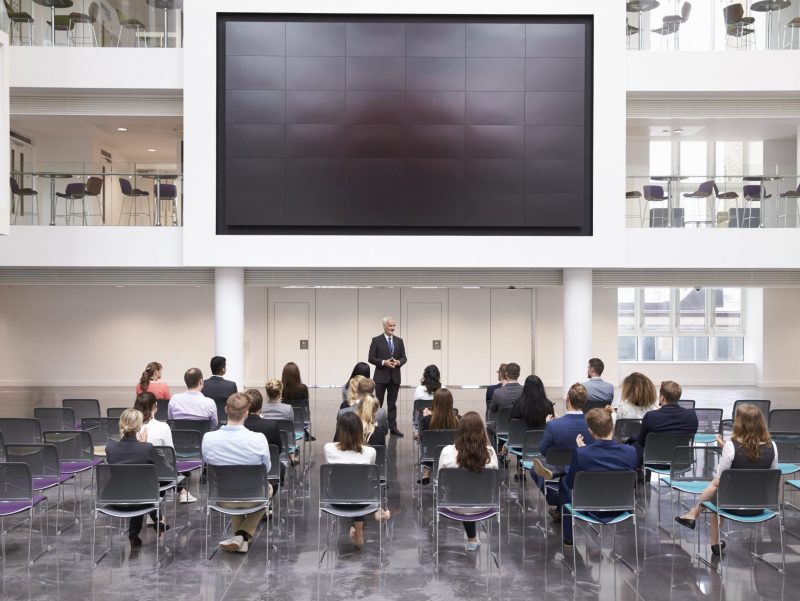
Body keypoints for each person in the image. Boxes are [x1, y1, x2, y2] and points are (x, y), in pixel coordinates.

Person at [675, 405, 778, 555]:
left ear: (739, 423)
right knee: (725, 492)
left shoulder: (731, 446)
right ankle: (693, 515)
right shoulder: (772, 446)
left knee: (717, 490)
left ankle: (707, 532)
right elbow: (771, 477)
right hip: (759, 506)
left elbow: (719, 481)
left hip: (733, 505)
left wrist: (726, 450)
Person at [202, 392, 272, 554]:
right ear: (246, 413)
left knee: (233, 486)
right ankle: (243, 536)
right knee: (267, 489)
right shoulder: (258, 439)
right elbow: (266, 470)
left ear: (226, 409)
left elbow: (208, 464)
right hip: (253, 498)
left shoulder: (208, 438)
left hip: (221, 497)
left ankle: (240, 537)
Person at [558, 409, 637, 547]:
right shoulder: (630, 452)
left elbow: (572, 484)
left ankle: (568, 538)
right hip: (622, 506)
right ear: (612, 427)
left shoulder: (582, 454)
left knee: (565, 480)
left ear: (590, 431)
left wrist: (582, 452)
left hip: (588, 506)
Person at [324, 412, 389, 549]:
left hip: (335, 498)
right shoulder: (370, 452)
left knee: (350, 484)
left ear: (339, 430)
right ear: (360, 430)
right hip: (362, 500)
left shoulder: (328, 448)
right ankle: (367, 523)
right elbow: (369, 473)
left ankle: (359, 530)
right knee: (360, 485)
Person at [105, 408, 169, 547]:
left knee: (135, 486)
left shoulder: (110, 447)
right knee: (144, 487)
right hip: (141, 500)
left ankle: (141, 529)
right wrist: (144, 445)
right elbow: (157, 472)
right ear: (139, 426)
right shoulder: (146, 448)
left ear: (121, 424)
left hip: (115, 499)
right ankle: (157, 521)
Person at [437, 411, 499, 551]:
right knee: (471, 490)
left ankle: (472, 538)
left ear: (460, 430)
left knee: (464, 490)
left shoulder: (447, 452)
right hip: (485, 504)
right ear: (482, 431)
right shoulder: (490, 453)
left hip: (454, 504)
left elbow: (440, 480)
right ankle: (472, 538)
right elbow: (495, 480)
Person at [532, 383, 593, 522]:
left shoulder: (554, 425)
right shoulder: (591, 423)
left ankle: (558, 501)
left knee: (535, 471)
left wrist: (547, 426)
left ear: (568, 400)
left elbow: (543, 450)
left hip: (558, 465)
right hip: (583, 467)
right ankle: (561, 506)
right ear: (584, 402)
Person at [134, 391, 196, 504]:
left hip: (134, 473)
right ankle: (181, 491)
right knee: (164, 465)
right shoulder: (162, 427)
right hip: (159, 475)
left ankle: (181, 492)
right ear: (155, 407)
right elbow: (170, 456)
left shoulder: (129, 429)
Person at [635, 380, 698, 466]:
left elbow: (642, 442)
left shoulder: (651, 416)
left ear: (662, 397)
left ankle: (640, 478)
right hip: (681, 463)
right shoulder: (691, 416)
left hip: (654, 462)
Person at [368, 316, 407, 437]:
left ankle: (393, 427)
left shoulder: (399, 341)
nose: (393, 328)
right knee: (377, 404)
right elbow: (371, 358)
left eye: (394, 325)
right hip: (380, 377)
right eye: (390, 326)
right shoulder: (376, 340)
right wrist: (383, 362)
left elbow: (404, 357)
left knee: (392, 404)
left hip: (394, 377)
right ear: (384, 326)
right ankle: (376, 426)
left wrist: (398, 362)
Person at [418, 388, 460, 484]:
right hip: (452, 455)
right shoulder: (457, 420)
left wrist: (425, 418)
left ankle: (427, 471)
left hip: (430, 454)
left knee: (431, 447)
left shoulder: (426, 420)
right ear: (451, 403)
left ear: (435, 402)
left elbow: (422, 440)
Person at [243, 388, 285, 486]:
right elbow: (278, 450)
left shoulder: (240, 425)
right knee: (281, 467)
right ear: (260, 407)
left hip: (240, 470)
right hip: (266, 468)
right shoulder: (271, 425)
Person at [281, 362, 315, 441]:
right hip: (302, 420)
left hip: (286, 421)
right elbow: (306, 406)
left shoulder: (282, 389)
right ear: (297, 374)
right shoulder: (303, 388)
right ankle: (304, 431)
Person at [202, 356, 238, 423]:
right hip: (225, 422)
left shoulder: (202, 384)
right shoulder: (231, 385)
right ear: (223, 369)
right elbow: (235, 406)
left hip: (206, 423)